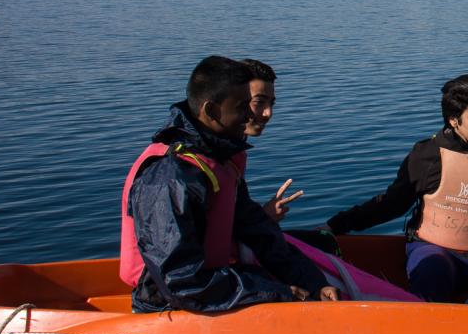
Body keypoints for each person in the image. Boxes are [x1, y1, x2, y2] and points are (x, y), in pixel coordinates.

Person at [119, 55, 338, 313]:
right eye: (243, 106)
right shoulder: (169, 178)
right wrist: (277, 293)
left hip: (212, 293)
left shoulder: (221, 161)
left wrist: (314, 283)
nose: (252, 115)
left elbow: (259, 232)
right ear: (212, 111)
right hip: (171, 307)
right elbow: (180, 282)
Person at [321, 75, 468, 302]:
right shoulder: (427, 155)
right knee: (432, 270)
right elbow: (391, 205)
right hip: (434, 251)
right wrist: (335, 225)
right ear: (454, 120)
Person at [240, 58, 303, 223]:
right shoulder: (199, 165)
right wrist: (263, 219)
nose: (268, 113)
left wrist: (262, 218)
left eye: (271, 104)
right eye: (259, 102)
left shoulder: (233, 154)